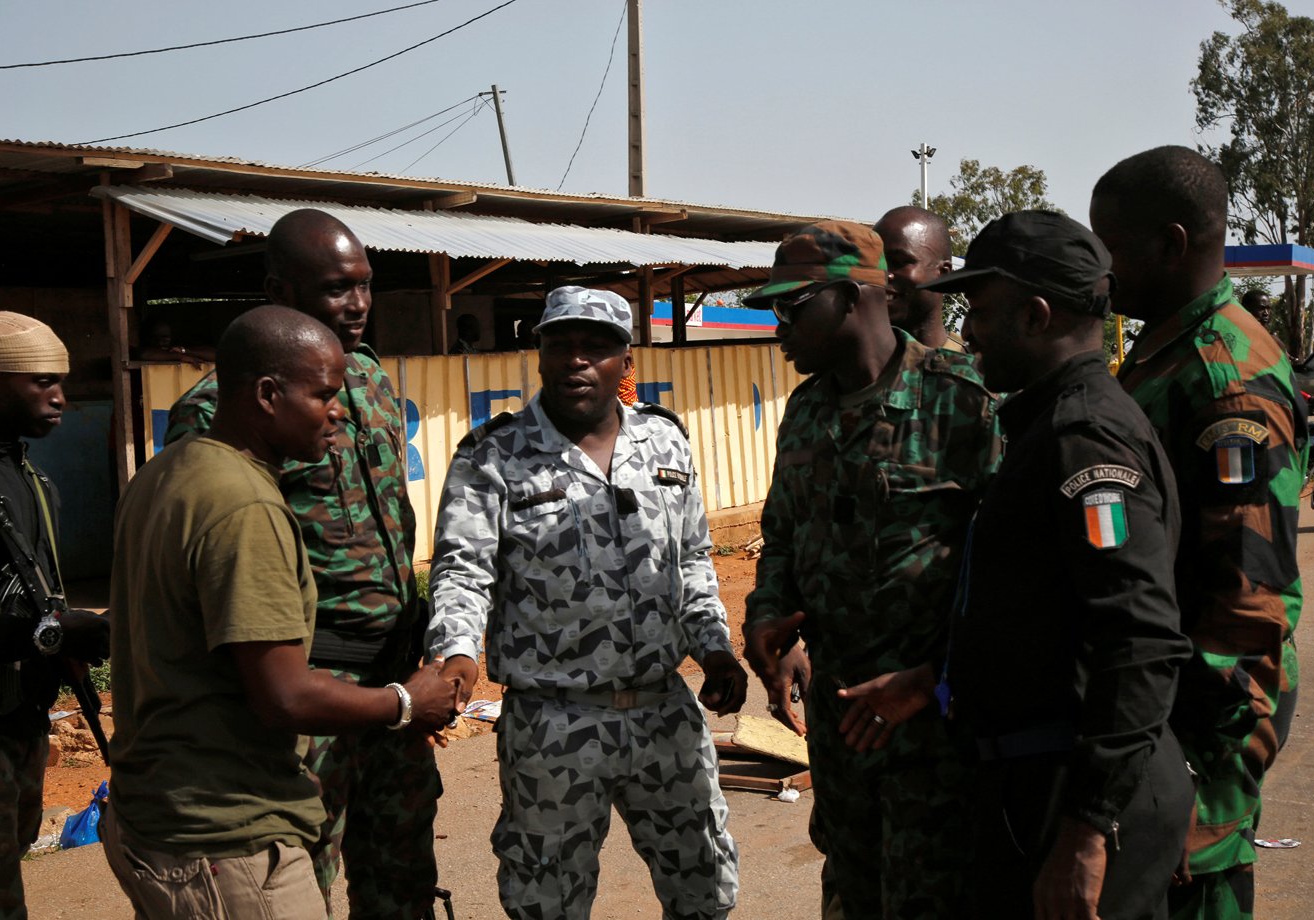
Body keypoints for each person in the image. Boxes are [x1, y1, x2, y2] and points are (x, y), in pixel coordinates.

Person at [103, 306, 462, 920]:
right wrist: (407, 701)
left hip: (164, 813)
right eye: (323, 394)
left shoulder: (168, 473)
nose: (340, 409)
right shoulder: (246, 506)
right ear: (268, 395)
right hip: (227, 832)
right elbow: (285, 697)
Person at [428, 284, 747, 920]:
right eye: (561, 344)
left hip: (664, 713)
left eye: (597, 347)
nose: (578, 359)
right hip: (553, 722)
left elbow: (692, 559)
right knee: (546, 898)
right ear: (539, 354)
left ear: (625, 363)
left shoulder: (665, 443)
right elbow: (464, 570)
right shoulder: (493, 456)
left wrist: (715, 648)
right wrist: (455, 652)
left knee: (705, 888)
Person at [164, 209, 438, 920]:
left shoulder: (371, 380)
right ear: (279, 289)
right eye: (336, 289)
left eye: (366, 286)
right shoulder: (214, 412)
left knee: (401, 873)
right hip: (307, 689)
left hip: (394, 677)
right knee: (298, 880)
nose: (358, 306)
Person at [921, 211, 1194, 919]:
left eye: (979, 313)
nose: (967, 332)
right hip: (1045, 783)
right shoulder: (1050, 426)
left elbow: (1141, 638)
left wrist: (1088, 828)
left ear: (1037, 316)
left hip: (1072, 794)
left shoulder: (1084, 438)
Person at [741, 220, 1001, 918]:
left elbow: (1011, 572)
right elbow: (783, 540)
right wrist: (769, 618)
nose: (778, 328)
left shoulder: (962, 400)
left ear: (856, 296)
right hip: (840, 730)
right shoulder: (806, 410)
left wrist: (939, 675)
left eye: (792, 307)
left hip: (934, 734)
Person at [1091, 146, 1308, 919]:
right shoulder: (1161, 353)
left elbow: (1248, 604)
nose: (1102, 268)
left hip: (1203, 725)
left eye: (1110, 245)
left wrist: (1206, 782)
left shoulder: (1224, 376)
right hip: (1163, 710)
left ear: (1172, 243)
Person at [0, 312, 109, 920]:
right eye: (40, 382)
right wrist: (48, 632)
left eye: (61, 380)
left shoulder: (29, 477)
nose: (60, 397)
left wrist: (61, 634)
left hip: (20, 718)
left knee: (8, 863)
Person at [873, 205, 966, 351]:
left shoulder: (979, 368)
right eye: (876, 263)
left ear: (942, 274)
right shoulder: (848, 366)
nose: (883, 274)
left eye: (899, 262)